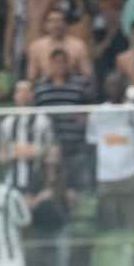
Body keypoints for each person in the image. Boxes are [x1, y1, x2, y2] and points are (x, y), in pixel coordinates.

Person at [87, 71, 134, 231]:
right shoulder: (97, 113)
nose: (113, 88)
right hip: (106, 177)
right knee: (109, 226)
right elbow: (92, 142)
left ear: (124, 86)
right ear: (105, 88)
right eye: (110, 85)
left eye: (117, 84)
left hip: (132, 175)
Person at [34, 48, 90, 189]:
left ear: (68, 64)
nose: (59, 65)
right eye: (56, 62)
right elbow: (37, 115)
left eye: (63, 62)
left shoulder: (80, 85)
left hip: (75, 146)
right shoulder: (41, 87)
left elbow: (88, 110)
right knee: (52, 187)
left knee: (77, 188)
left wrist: (83, 119)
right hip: (49, 148)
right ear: (50, 64)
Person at [0, 79, 55, 193]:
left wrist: (33, 151)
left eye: (26, 91)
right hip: (12, 182)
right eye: (19, 91)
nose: (23, 95)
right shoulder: (7, 122)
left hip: (38, 181)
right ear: (14, 96)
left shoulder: (43, 120)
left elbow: (51, 151)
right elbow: (1, 157)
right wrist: (16, 153)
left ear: (32, 94)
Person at [27, 7, 95, 82]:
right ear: (45, 25)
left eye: (60, 20)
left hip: (72, 86)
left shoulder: (78, 46)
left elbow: (88, 76)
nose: (56, 25)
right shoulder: (36, 47)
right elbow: (31, 77)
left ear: (66, 24)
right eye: (52, 21)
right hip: (45, 86)